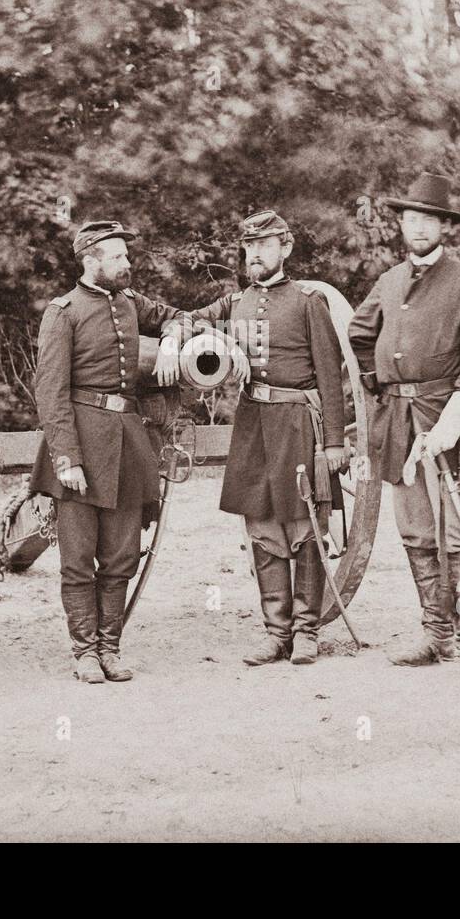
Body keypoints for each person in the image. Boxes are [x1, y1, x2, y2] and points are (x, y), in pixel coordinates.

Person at [348, 172, 460, 690]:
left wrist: (449, 424)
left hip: (449, 428)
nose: (418, 227)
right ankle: (436, 634)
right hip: (398, 427)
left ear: (444, 226)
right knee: (417, 534)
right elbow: (357, 333)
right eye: (410, 218)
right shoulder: (391, 281)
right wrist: (377, 385)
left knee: (458, 537)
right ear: (401, 224)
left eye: (429, 219)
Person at [188, 210, 347, 666]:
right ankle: (275, 633)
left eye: (264, 245)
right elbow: (188, 320)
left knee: (304, 528)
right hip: (252, 422)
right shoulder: (234, 303)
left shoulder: (307, 301)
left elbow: (330, 379)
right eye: (249, 247)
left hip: (298, 421)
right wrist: (205, 339)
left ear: (286, 248)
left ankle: (306, 632)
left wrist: (334, 442)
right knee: (261, 528)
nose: (255, 254)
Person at [30, 220, 184, 683]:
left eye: (126, 256)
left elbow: (177, 314)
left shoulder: (132, 302)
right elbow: (50, 392)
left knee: (121, 554)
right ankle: (85, 653)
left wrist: (174, 337)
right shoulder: (63, 312)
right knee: (78, 558)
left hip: (128, 443)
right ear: (91, 259)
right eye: (118, 256)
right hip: (80, 441)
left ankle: (110, 648)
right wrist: (66, 458)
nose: (127, 263)